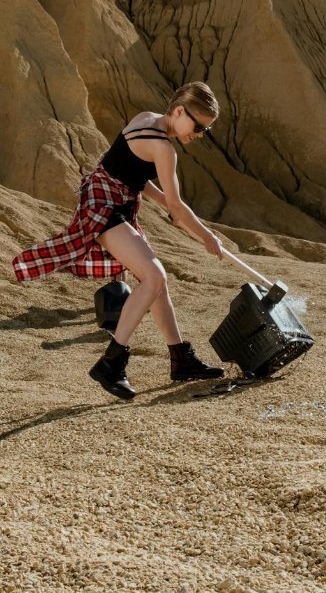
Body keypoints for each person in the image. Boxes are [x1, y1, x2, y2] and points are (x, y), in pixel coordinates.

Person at [12, 82, 226, 400]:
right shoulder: (165, 150)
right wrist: (208, 237)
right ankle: (111, 364)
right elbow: (178, 208)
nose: (199, 135)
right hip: (105, 207)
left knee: (155, 282)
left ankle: (180, 359)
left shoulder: (146, 119)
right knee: (154, 276)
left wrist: (167, 201)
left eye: (205, 131)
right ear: (179, 111)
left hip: (108, 200)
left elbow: (132, 175)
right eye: (198, 127)